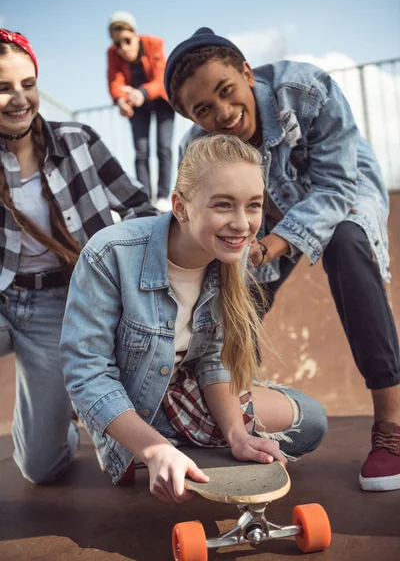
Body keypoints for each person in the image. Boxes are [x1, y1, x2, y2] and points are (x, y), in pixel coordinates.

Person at [163, 27, 400, 492]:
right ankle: (244, 425)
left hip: (341, 188)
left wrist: (273, 245)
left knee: (348, 244)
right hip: (259, 214)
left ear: (247, 73)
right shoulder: (197, 150)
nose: (224, 114)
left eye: (227, 91)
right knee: (235, 290)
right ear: (190, 117)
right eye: (203, 110)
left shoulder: (305, 89)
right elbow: (197, 223)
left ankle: (392, 425)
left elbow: (335, 187)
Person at [60, 133, 327, 502]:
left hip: (183, 395)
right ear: (181, 207)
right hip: (129, 403)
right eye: (222, 205)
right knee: (44, 464)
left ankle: (184, 450)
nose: (242, 224)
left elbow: (214, 361)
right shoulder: (111, 253)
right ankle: (147, 449)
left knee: (311, 421)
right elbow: (86, 372)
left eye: (253, 205)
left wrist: (237, 436)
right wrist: (152, 448)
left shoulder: (228, 259)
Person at [0, 28, 157, 484]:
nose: (18, 99)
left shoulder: (78, 140)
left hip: (55, 306)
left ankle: (55, 422)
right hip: (4, 296)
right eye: (3, 88)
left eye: (27, 85)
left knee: (41, 470)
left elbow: (140, 209)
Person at [107, 11, 175, 212]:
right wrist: (120, 100)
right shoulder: (112, 53)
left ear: (135, 35)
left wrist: (143, 92)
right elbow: (114, 81)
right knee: (141, 151)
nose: (123, 48)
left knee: (163, 147)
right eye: (117, 43)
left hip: (161, 100)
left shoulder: (155, 43)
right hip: (137, 105)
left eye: (127, 41)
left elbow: (161, 77)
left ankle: (163, 197)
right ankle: (145, 200)